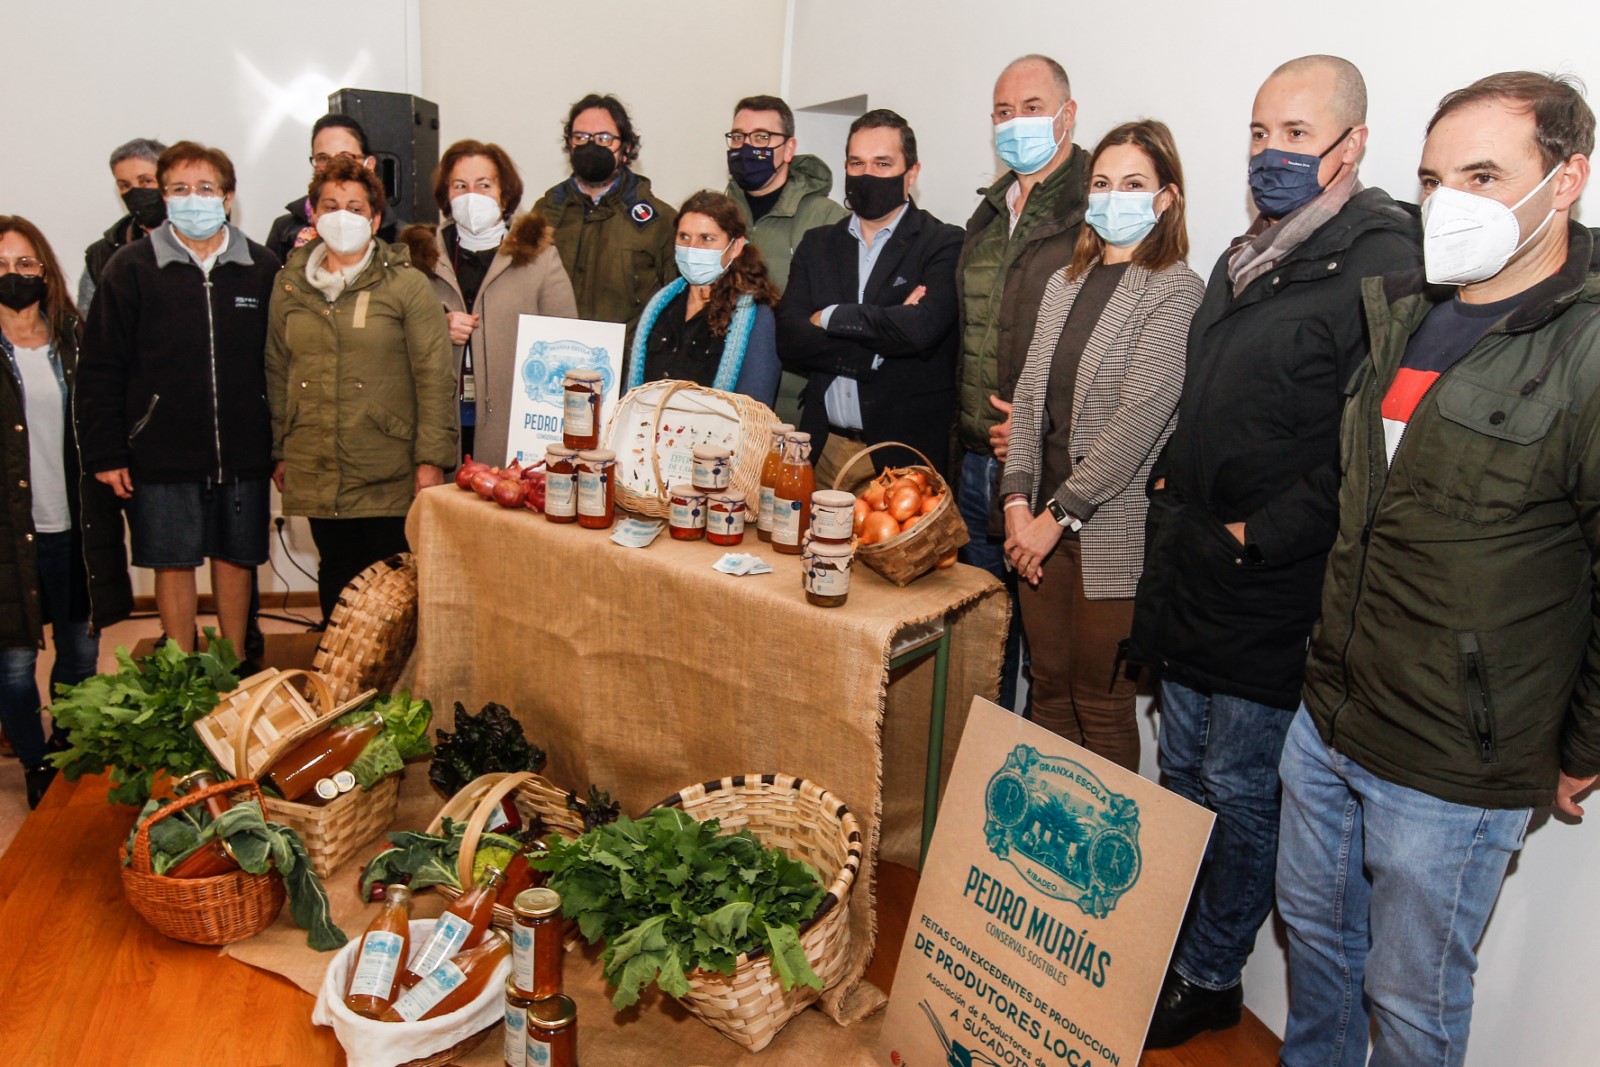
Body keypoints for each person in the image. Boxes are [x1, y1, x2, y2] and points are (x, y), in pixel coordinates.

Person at [1279, 72, 1599, 1067]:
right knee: (1318, 946)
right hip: (1329, 716)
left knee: (1410, 1000)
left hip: (1453, 763)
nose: (1446, 200)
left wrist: (1581, 739)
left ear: (1566, 178)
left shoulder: (1585, 349)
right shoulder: (1404, 315)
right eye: (1431, 177)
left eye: (1481, 173)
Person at [1126, 56, 1421, 1049]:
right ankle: (1160, 951)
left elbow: (1373, 438)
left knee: (1240, 788)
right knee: (1180, 774)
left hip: (1270, 582)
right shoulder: (1246, 253)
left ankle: (1210, 971)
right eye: (1259, 133)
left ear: (1353, 143)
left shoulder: (1384, 259)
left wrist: (1264, 532)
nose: (1270, 153)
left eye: (1296, 134)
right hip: (1194, 564)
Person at [999, 121, 1202, 772]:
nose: (1115, 197)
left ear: (1166, 197)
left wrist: (1052, 521)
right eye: (1103, 183)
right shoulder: (1065, 282)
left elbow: (1138, 423)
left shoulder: (1175, 289)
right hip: (1036, 532)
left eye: (1134, 184)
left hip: (1107, 535)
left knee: (1102, 701)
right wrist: (1015, 507)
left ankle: (1102, 862)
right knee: (1048, 691)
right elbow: (1030, 400)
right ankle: (1047, 851)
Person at [76, 141, 280, 657]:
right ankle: (180, 666)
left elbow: (284, 366)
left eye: (206, 188)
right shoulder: (130, 268)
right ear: (164, 197)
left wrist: (283, 446)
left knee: (237, 558)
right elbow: (100, 368)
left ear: (228, 197)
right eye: (180, 189)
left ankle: (234, 665)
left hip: (244, 449)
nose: (194, 199)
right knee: (173, 560)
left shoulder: (262, 266)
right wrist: (106, 453)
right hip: (160, 449)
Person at [266, 157, 455, 624]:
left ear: (374, 219)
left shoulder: (407, 285)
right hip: (315, 460)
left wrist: (431, 461)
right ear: (313, 214)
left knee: (389, 586)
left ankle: (388, 689)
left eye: (355, 207)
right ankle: (340, 679)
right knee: (335, 576)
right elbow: (276, 367)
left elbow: (435, 376)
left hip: (387, 465)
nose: (342, 216)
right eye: (330, 205)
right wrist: (279, 449)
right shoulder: (289, 286)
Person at [956, 54, 1089, 712]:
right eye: (1004, 113)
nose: (1017, 124)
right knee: (981, 645)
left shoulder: (1098, 206)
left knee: (1050, 664)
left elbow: (1113, 335)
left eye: (1032, 109)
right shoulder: (989, 211)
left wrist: (1039, 426)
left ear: (1068, 115)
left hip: (1049, 475)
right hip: (978, 463)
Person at [0, 217, 131, 808]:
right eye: (1, 266)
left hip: (77, 525)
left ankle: (67, 750)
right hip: (9, 534)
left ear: (45, 270)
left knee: (79, 650)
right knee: (15, 659)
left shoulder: (75, 341)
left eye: (25, 264)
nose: (14, 276)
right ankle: (33, 760)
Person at [777, 109, 962, 489]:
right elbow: (789, 338)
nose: (867, 175)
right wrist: (877, 344)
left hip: (902, 459)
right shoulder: (818, 244)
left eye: (883, 164)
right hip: (823, 448)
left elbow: (921, 330)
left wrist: (827, 317)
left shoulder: (943, 243)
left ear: (911, 173)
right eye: (856, 163)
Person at [402, 139, 577, 464]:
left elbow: (567, 349)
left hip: (513, 434)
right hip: (437, 432)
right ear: (445, 195)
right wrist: (438, 328)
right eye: (460, 186)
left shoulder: (540, 259)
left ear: (504, 193)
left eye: (484, 185)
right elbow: (392, 341)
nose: (472, 196)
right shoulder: (417, 259)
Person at [724, 94, 849, 424]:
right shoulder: (715, 217)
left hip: (792, 409)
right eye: (738, 137)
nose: (747, 147)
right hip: (716, 399)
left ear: (789, 149)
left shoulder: (826, 220)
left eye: (762, 137)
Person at [533, 93, 676, 353]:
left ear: (626, 149)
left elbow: (676, 306)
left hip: (626, 370)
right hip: (553, 362)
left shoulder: (660, 222)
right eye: (581, 138)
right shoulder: (545, 214)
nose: (591, 147)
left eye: (604, 138)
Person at [629, 191, 781, 405]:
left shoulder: (756, 317)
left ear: (735, 246)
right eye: (684, 237)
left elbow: (755, 407)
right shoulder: (661, 307)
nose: (692, 248)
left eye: (706, 239)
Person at [264, 114, 395, 265]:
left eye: (345, 157)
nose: (334, 167)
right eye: (323, 158)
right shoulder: (284, 230)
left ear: (369, 164)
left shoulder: (396, 233)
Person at [78, 138, 167, 314]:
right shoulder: (101, 255)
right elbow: (89, 325)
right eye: (125, 185)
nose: (135, 192)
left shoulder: (204, 243)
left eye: (146, 181)